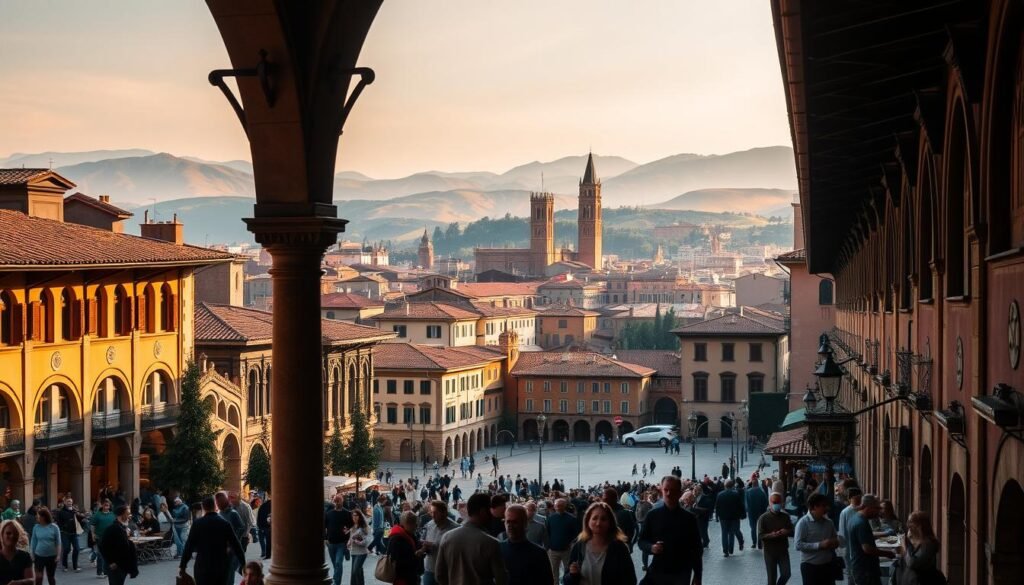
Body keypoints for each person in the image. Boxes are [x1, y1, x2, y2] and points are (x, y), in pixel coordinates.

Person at [637, 476, 703, 585]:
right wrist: (651, 547)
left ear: (679, 493)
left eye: (672, 490)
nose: (668, 493)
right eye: (666, 490)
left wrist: (697, 575)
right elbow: (641, 541)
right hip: (658, 571)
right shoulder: (652, 516)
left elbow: (697, 549)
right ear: (661, 491)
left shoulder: (689, 519)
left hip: (680, 574)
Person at [434, 493, 506, 585]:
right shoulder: (491, 543)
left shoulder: (446, 537)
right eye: (489, 510)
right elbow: (501, 579)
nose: (491, 514)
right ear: (483, 511)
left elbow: (439, 575)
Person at [178, 496, 246, 585]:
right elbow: (236, 545)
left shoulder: (197, 524)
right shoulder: (225, 524)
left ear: (203, 508)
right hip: (221, 567)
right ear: (215, 507)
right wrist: (244, 564)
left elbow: (189, 546)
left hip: (202, 567)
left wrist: (183, 566)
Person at [564, 502, 636, 585]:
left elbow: (630, 580)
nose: (598, 523)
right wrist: (572, 575)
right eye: (594, 518)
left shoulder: (619, 548)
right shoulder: (579, 545)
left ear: (610, 523)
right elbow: (566, 580)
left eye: (603, 519)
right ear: (588, 521)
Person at [847, 495, 895, 585]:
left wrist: (884, 534)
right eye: (876, 508)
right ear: (868, 507)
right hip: (866, 569)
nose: (878, 512)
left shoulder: (856, 518)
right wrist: (888, 553)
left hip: (861, 567)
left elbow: (865, 537)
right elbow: (867, 548)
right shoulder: (861, 522)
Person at [794, 493, 840, 585]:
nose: (826, 508)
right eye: (823, 506)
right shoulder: (803, 523)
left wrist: (835, 542)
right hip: (810, 567)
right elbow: (798, 545)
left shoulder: (829, 522)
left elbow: (835, 539)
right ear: (814, 507)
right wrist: (819, 545)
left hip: (827, 566)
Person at [500, 504, 551, 585]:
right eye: (508, 522)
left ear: (525, 524)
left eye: (515, 522)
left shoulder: (539, 554)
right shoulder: (497, 549)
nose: (510, 526)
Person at [757, 492, 794, 585]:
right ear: (770, 503)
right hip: (770, 552)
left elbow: (792, 531)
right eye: (774, 502)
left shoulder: (785, 516)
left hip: (783, 550)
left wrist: (787, 531)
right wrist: (771, 535)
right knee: (772, 578)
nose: (776, 504)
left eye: (778, 502)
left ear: (781, 503)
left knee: (786, 574)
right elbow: (760, 535)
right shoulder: (763, 518)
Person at [894, 512, 939, 585]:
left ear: (920, 526)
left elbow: (912, 563)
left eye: (911, 523)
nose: (908, 526)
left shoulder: (929, 544)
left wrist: (906, 547)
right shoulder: (916, 540)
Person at [98, 505, 138, 585]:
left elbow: (125, 545)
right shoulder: (112, 528)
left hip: (123, 565)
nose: (130, 516)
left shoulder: (124, 528)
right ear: (121, 515)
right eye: (128, 514)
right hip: (115, 566)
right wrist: (110, 562)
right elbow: (102, 545)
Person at [421, 501, 455, 585]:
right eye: (431, 512)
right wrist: (423, 548)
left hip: (446, 571)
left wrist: (433, 545)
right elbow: (423, 539)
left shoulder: (455, 529)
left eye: (436, 513)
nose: (433, 516)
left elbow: (455, 550)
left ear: (444, 513)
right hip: (430, 568)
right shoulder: (429, 524)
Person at [385, 511, 424, 585]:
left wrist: (422, 547)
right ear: (404, 523)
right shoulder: (396, 538)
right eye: (412, 522)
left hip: (412, 576)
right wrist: (418, 554)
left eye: (416, 522)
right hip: (403, 578)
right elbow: (398, 562)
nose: (416, 525)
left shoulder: (409, 534)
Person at [544, 498, 576, 583]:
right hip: (553, 550)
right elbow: (547, 532)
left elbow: (575, 534)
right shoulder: (550, 518)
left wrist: (570, 543)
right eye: (556, 505)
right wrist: (549, 546)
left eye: (560, 505)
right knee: (554, 572)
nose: (558, 506)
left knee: (567, 571)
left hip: (567, 550)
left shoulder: (571, 518)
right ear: (554, 506)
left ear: (564, 506)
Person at [324, 495, 352, 585]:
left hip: (342, 543)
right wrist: (325, 539)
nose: (336, 503)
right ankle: (337, 580)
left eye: (338, 501)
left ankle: (336, 582)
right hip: (331, 543)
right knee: (335, 564)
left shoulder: (347, 513)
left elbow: (351, 526)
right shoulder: (329, 514)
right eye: (335, 501)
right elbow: (323, 526)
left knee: (338, 563)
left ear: (342, 501)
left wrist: (348, 532)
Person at [30, 507, 60, 585]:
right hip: (39, 556)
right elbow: (33, 541)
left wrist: (58, 555)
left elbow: (58, 542)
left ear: (43, 517)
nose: (36, 517)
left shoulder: (54, 527)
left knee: (51, 577)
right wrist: (32, 554)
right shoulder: (36, 527)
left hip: (51, 556)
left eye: (38, 515)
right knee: (39, 577)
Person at [714, 480, 745, 557]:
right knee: (733, 532)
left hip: (723, 517)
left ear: (725, 486)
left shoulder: (720, 495)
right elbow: (740, 505)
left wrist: (717, 516)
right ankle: (732, 548)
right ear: (732, 486)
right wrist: (743, 514)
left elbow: (717, 507)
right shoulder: (736, 494)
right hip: (734, 517)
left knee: (724, 533)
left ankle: (725, 551)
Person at [54, 498, 83, 573]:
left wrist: (78, 514)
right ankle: (64, 565)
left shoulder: (74, 511)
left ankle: (75, 566)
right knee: (66, 549)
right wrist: (61, 529)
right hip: (65, 533)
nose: (69, 503)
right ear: (64, 502)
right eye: (68, 501)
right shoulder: (61, 512)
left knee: (77, 549)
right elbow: (58, 522)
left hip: (74, 533)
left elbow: (81, 520)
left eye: (71, 501)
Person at [0, 520, 33, 585]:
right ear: (2, 535)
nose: (12, 536)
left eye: (15, 533)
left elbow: (31, 581)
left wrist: (18, 583)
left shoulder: (25, 556)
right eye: (8, 533)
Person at [90, 500, 116, 578]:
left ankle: (106, 571)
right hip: (100, 537)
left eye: (107, 505)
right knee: (100, 555)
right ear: (102, 505)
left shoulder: (112, 514)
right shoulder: (97, 514)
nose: (106, 506)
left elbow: (115, 524)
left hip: (110, 538)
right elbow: (92, 525)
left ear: (109, 506)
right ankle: (99, 572)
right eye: (105, 505)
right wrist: (93, 535)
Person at [745, 478, 769, 549]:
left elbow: (746, 504)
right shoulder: (762, 491)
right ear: (757, 484)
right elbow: (766, 502)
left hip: (751, 513)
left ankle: (754, 542)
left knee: (753, 528)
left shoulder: (748, 492)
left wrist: (748, 510)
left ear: (752, 485)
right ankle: (759, 543)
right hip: (761, 512)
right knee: (760, 528)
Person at [348, 510, 369, 585]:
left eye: (356, 515)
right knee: (357, 572)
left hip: (362, 552)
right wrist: (349, 543)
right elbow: (351, 538)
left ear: (359, 517)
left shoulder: (362, 528)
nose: (354, 517)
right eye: (353, 515)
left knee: (356, 570)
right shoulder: (353, 527)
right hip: (354, 552)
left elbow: (366, 541)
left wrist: (358, 542)